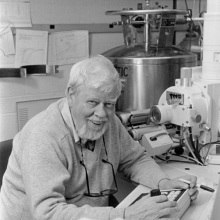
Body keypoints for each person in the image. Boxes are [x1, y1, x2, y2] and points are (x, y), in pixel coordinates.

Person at [0, 55, 198, 220]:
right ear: (71, 94)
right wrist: (125, 215)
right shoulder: (43, 137)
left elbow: (135, 159)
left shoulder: (110, 123)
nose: (102, 114)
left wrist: (162, 182)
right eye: (93, 102)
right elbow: (48, 213)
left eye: (109, 104)